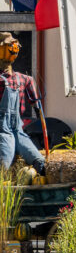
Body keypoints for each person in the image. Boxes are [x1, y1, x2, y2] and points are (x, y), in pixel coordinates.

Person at [0, 33, 45, 174]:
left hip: (17, 130)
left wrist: (42, 118)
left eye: (13, 46)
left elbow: (37, 107)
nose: (12, 49)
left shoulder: (25, 79)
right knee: (4, 163)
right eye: (8, 46)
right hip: (2, 131)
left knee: (39, 161)